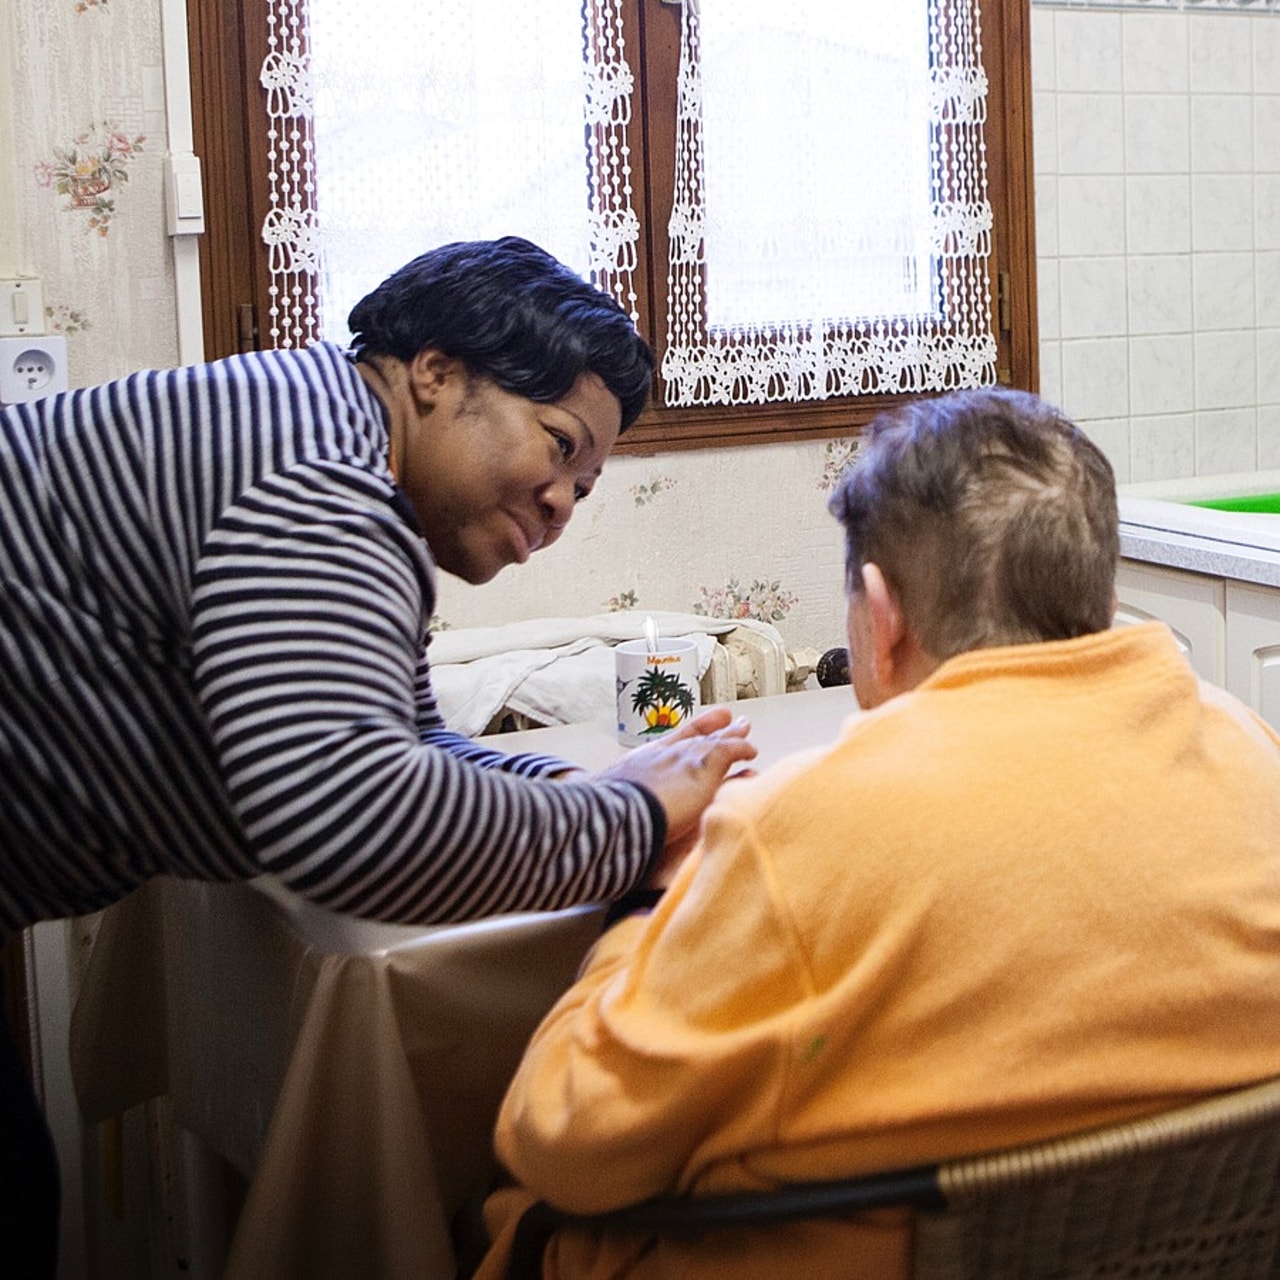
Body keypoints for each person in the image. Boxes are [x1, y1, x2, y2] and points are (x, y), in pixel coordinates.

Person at [0, 236, 755, 1272]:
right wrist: (632, 820)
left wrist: (585, 785)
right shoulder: (322, 482)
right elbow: (352, 822)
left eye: (584, 486)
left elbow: (403, 743)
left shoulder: (323, 442)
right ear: (436, 372)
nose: (561, 506)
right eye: (556, 444)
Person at [475, 387, 1280, 1280]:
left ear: (879, 611)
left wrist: (647, 903)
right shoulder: (1253, 752)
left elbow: (565, 1143)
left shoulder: (799, 831)